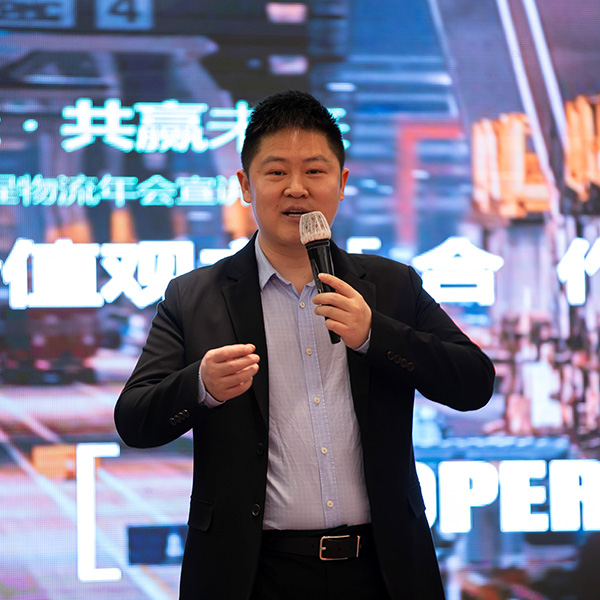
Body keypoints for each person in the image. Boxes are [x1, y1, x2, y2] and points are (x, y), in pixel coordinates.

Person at [114, 90, 495, 600]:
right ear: (245, 185)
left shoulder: (391, 286)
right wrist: (200, 386)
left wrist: (375, 335)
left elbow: (474, 384)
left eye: (315, 171)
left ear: (341, 183)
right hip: (252, 574)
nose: (296, 188)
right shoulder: (194, 296)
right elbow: (134, 421)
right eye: (276, 172)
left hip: (381, 570)